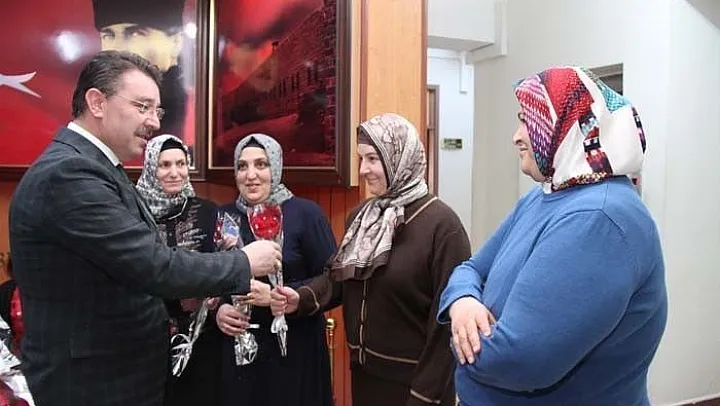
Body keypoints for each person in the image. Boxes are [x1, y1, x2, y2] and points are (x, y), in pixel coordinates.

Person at [8, 50, 282, 406]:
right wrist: (244, 262)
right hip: (95, 383)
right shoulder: (70, 174)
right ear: (97, 102)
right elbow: (152, 265)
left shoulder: (95, 166)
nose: (154, 122)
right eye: (142, 107)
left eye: (158, 111)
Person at [437, 66, 667, 406]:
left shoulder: (598, 218)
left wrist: (457, 338)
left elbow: (518, 361)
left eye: (527, 121)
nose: (516, 137)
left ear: (567, 128)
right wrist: (464, 303)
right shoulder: (546, 195)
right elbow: (470, 269)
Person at [271, 113, 470, 406]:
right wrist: (300, 298)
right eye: (361, 159)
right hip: (365, 378)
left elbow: (445, 326)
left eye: (373, 159)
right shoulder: (362, 217)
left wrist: (424, 396)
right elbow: (339, 278)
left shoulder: (442, 226)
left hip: (417, 387)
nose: (363, 169)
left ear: (399, 158)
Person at [215, 133, 335, 406]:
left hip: (294, 353)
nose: (251, 175)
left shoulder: (306, 214)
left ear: (277, 167)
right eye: (242, 166)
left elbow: (332, 281)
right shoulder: (224, 217)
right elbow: (211, 278)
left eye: (261, 164)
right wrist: (219, 311)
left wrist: (279, 297)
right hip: (239, 355)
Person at [135, 134, 224, 406]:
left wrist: (217, 297)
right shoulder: (134, 214)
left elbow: (224, 264)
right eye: (164, 165)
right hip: (146, 341)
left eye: (181, 164)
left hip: (204, 340)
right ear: (151, 168)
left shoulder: (207, 212)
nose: (175, 173)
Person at [92, 0, 194, 153]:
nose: (117, 49)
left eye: (136, 33)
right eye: (109, 35)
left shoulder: (197, 111)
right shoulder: (97, 112)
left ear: (176, 42)